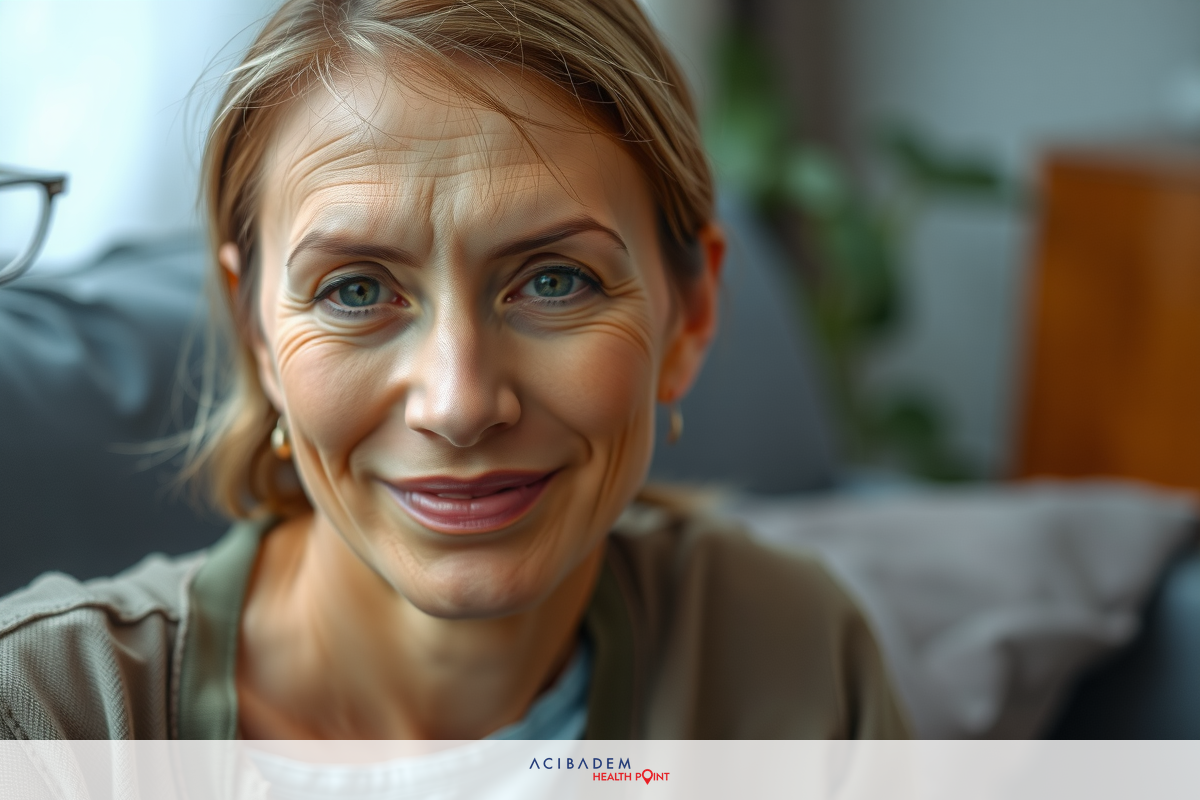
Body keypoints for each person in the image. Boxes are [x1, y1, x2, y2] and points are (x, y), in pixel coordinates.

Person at [0, 0, 907, 740]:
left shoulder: (794, 654)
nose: (460, 403)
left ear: (690, 315)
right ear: (258, 335)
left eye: (554, 280)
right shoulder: (53, 717)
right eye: (356, 291)